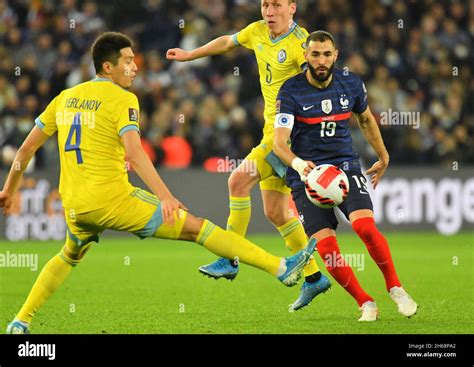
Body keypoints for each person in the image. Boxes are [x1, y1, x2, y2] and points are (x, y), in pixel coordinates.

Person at [1, 32, 316, 334]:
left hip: (74, 205)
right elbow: (135, 154)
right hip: (114, 202)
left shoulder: (65, 98)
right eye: (127, 60)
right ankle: (279, 267)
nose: (135, 66)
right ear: (107, 67)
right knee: (197, 227)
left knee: (69, 255)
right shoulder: (122, 99)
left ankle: (21, 321)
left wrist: (8, 190)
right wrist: (165, 196)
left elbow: (26, 149)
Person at [166, 0, 331, 309]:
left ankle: (230, 257)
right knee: (276, 212)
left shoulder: (302, 44)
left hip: (286, 138)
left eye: (276, 5)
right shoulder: (256, 31)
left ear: (292, 8)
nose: (269, 11)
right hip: (273, 133)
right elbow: (228, 42)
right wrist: (191, 55)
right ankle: (313, 277)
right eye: (265, 5)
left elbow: (322, 82)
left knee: (237, 182)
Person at [273, 30, 418, 320]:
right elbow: (279, 142)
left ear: (335, 55)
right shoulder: (290, 90)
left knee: (365, 228)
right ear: (306, 56)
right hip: (306, 175)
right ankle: (365, 302)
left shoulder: (350, 83)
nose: (321, 60)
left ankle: (395, 287)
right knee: (326, 247)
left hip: (344, 166)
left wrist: (383, 156)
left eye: (327, 54)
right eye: (315, 54)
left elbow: (365, 119)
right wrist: (300, 166)